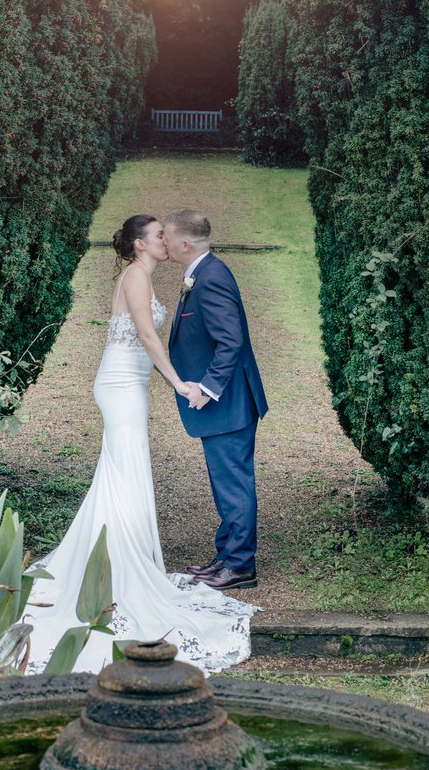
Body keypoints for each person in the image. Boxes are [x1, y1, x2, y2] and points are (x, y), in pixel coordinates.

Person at [25, 214, 256, 674]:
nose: (163, 241)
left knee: (123, 472)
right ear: (138, 244)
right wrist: (179, 383)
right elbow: (147, 337)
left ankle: (114, 561)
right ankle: (117, 569)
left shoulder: (146, 276)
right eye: (156, 236)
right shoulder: (134, 275)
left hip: (130, 384)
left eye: (165, 235)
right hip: (120, 385)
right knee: (125, 471)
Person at [163, 209, 268, 591]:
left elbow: (231, 341)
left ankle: (240, 567)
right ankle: (226, 555)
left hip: (228, 402)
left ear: (185, 244)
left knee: (234, 484)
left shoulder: (212, 278)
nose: (164, 244)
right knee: (225, 483)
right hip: (225, 405)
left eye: (168, 238)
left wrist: (206, 389)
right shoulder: (202, 273)